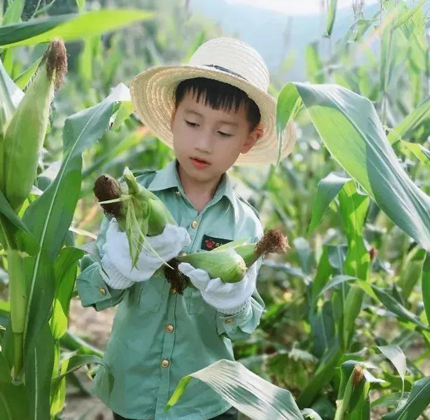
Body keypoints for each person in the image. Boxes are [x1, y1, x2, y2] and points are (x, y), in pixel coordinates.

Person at [76, 37, 297, 420]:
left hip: (206, 400)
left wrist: (234, 303)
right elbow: (92, 295)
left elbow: (245, 326)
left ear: (250, 138)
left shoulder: (245, 224)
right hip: (133, 392)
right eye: (193, 123)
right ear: (174, 116)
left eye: (224, 133)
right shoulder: (132, 200)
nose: (204, 143)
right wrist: (116, 270)